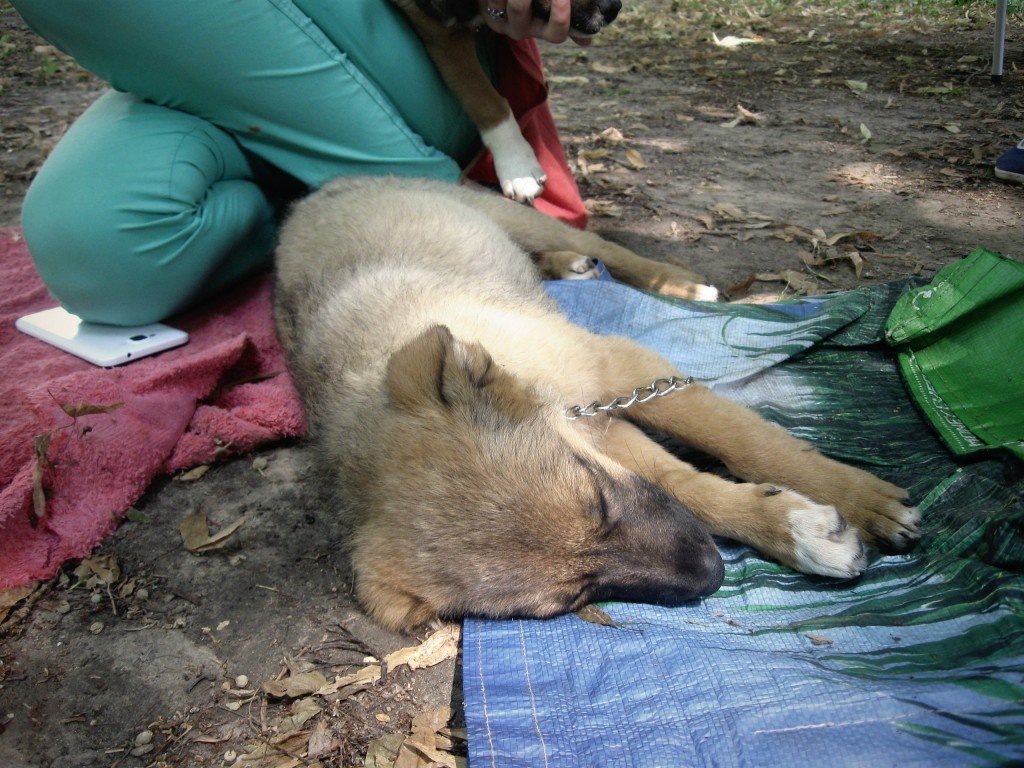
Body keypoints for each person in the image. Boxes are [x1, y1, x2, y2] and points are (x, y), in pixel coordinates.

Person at [9, 0, 582, 326]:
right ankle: (320, 201)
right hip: (201, 49)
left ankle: (460, 220)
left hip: (434, 47)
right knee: (95, 255)